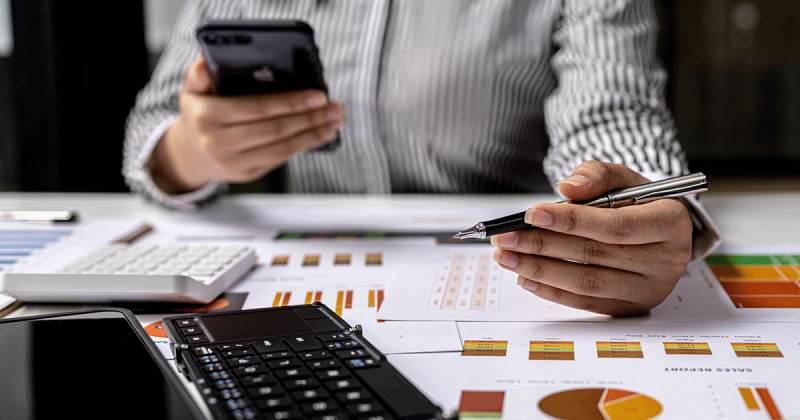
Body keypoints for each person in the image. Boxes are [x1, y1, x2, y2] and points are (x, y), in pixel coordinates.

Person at [123, 0, 720, 316]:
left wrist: (643, 205)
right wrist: (193, 151)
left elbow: (610, 113)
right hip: (314, 273)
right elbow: (151, 132)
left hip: (513, 270)